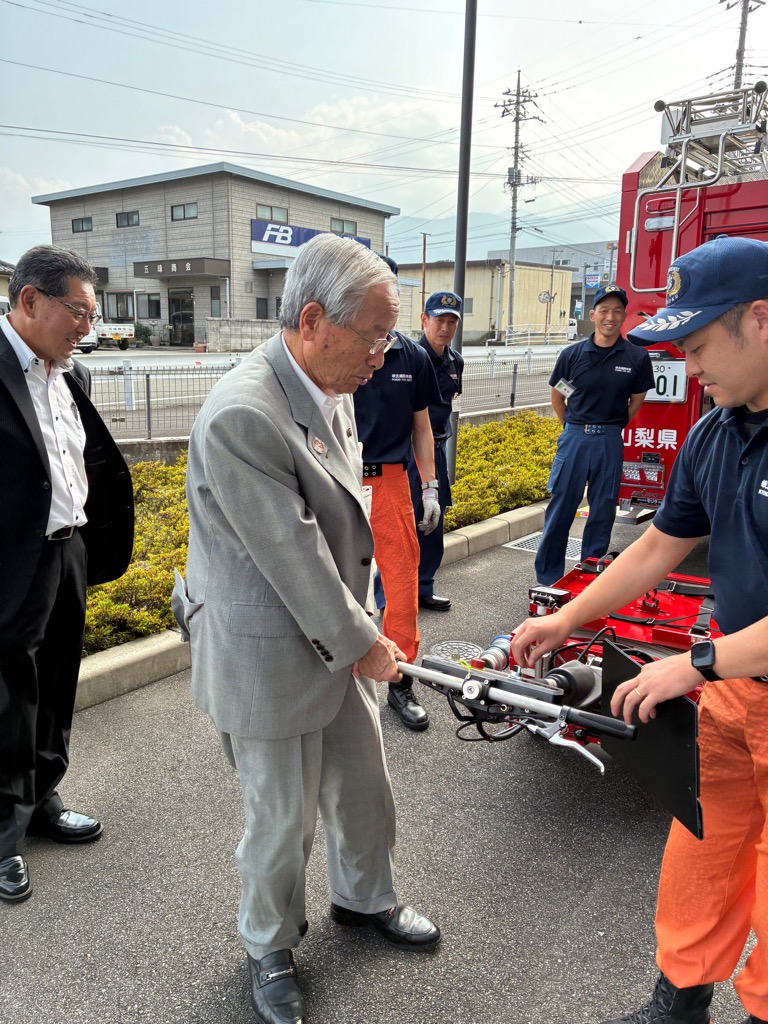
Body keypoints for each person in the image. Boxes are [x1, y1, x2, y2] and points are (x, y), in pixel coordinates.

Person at [172, 234, 440, 1024]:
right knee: (279, 823)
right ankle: (270, 945)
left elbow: (333, 535)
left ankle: (364, 901)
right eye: (375, 337)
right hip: (269, 654)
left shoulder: (330, 382)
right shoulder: (242, 417)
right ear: (316, 320)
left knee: (364, 791)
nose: (382, 355)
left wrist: (357, 638)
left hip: (335, 638)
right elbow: (292, 555)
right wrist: (366, 642)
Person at [511, 235, 768, 1024]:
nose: (690, 368)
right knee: (701, 849)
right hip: (733, 693)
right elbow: (658, 546)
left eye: (699, 345)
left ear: (760, 319)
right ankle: (679, 1000)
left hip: (722, 666)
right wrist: (566, 618)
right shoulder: (714, 433)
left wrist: (694, 662)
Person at [0, 245, 134, 903]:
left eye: (91, 313)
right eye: (77, 312)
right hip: (9, 563)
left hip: (67, 551)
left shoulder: (68, 374)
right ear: (29, 302)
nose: (88, 326)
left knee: (55, 686)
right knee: (6, 702)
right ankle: (3, 833)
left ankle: (44, 796)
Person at [353, 254, 442, 732]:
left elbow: (422, 428)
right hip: (340, 477)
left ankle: (400, 681)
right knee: (338, 579)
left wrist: (429, 487)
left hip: (390, 481)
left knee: (403, 584)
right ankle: (339, 672)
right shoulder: (340, 348)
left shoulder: (413, 356)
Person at [534, 284, 654, 586]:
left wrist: (610, 428)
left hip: (609, 441)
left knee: (602, 511)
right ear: (593, 315)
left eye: (616, 311)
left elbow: (636, 400)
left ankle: (589, 578)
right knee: (561, 508)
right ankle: (549, 580)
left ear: (624, 316)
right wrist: (574, 427)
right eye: (604, 310)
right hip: (575, 438)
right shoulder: (573, 355)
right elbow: (558, 397)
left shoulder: (635, 358)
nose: (610, 317)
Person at [407, 290, 465, 611]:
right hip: (412, 452)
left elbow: (447, 404)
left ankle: (424, 587)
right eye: (439, 319)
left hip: (438, 449)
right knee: (409, 519)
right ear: (424, 320)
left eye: (451, 321)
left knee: (434, 520)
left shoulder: (455, 361)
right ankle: (396, 590)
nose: (445, 327)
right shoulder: (410, 358)